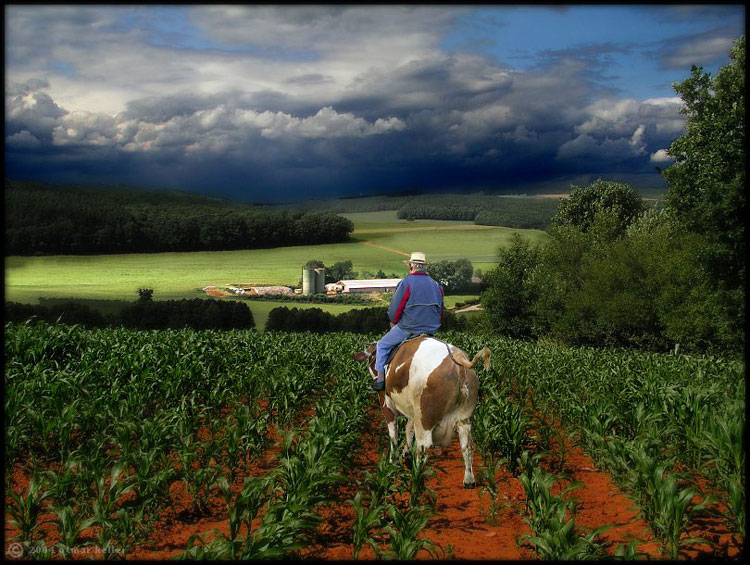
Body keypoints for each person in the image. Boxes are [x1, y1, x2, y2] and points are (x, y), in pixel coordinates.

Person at [372, 252, 444, 390]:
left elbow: (395, 309)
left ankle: (380, 380)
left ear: (411, 266)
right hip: (431, 328)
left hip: (408, 327)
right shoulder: (436, 285)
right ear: (424, 267)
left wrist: (393, 322)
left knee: (382, 345)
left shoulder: (406, 283)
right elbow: (441, 312)